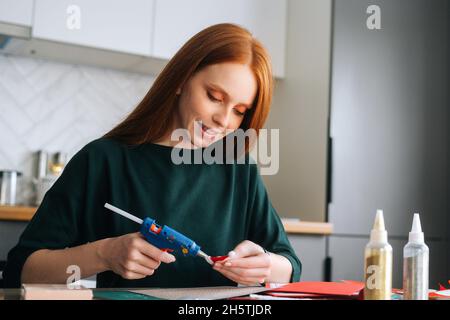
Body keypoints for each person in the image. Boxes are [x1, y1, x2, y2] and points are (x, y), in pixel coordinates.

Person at [3, 23, 301, 288]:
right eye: (214, 97)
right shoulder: (103, 160)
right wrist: (104, 255)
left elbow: (290, 266)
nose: (224, 120)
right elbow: (22, 271)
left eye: (239, 111)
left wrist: (266, 265)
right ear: (182, 80)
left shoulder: (239, 169)